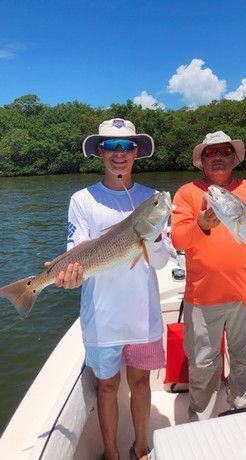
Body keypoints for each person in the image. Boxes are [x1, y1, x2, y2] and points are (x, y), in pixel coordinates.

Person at [48, 119, 170, 460]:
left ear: (137, 153)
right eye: (112, 146)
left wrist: (157, 236)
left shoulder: (152, 202)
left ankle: (141, 448)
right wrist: (67, 274)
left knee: (142, 384)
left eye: (127, 146)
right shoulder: (82, 200)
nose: (120, 154)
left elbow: (160, 263)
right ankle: (113, 454)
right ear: (100, 151)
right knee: (107, 387)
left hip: (142, 316)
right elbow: (77, 250)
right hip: (100, 318)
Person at [171, 131, 246, 419]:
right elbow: (177, 240)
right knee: (202, 365)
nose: (217, 157)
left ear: (234, 158)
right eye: (210, 153)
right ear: (200, 161)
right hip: (202, 297)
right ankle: (199, 418)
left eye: (224, 151)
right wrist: (201, 223)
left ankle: (244, 415)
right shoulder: (187, 192)